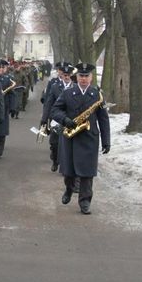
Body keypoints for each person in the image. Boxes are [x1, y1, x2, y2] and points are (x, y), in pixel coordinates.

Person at [51, 63, 110, 215]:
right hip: (70, 136)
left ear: (91, 78)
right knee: (69, 171)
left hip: (89, 137)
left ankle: (85, 202)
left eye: (86, 76)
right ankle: (69, 189)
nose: (83, 79)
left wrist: (106, 141)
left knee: (87, 172)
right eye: (81, 76)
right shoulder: (67, 93)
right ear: (76, 77)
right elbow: (55, 110)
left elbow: (103, 119)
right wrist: (65, 120)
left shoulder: (97, 95)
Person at [40, 64, 74, 172]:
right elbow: (49, 103)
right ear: (62, 75)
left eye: (69, 75)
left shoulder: (75, 86)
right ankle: (55, 161)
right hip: (56, 118)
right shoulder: (55, 87)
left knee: (68, 142)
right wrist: (44, 119)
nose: (67, 77)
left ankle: (66, 165)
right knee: (54, 142)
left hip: (70, 119)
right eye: (65, 75)